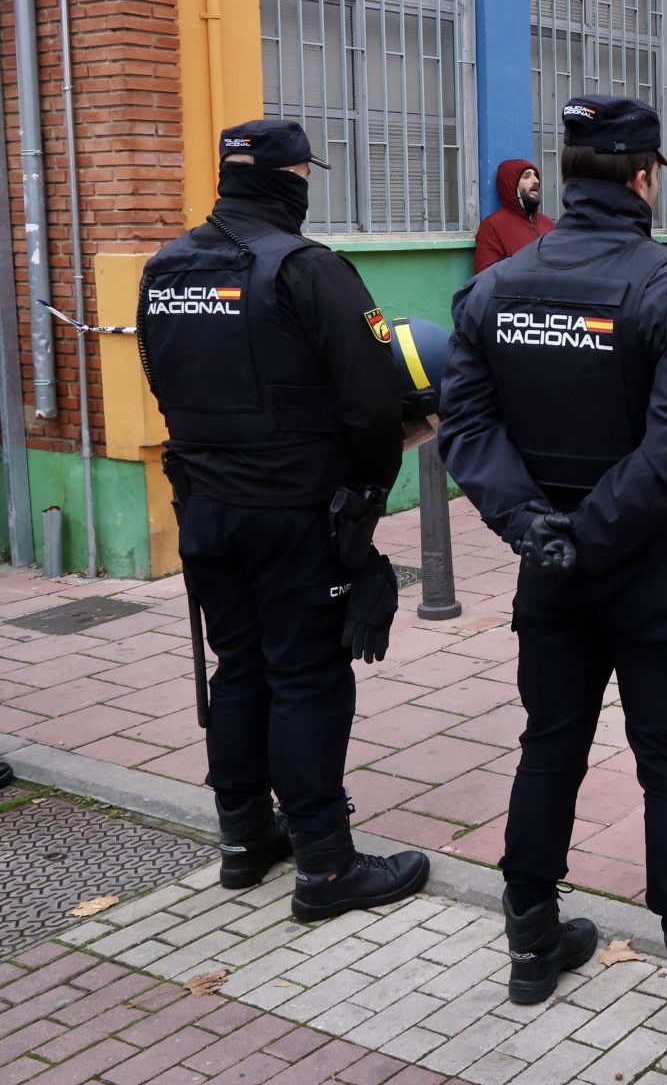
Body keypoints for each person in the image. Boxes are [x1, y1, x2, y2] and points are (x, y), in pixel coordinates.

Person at [438, 95, 667, 1035]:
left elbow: (466, 430)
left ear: (573, 170)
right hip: (642, 569)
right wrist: (586, 536)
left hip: (547, 564)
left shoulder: (495, 287)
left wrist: (538, 533)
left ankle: (530, 941)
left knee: (549, 744)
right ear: (643, 177)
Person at [138, 120, 427, 921]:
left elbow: (161, 378)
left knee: (238, 667)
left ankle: (243, 839)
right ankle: (327, 865)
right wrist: (367, 492)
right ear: (288, 179)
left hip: (206, 509)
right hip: (295, 514)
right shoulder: (309, 268)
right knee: (306, 677)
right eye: (305, 173)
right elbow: (372, 399)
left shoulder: (165, 268)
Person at [474, 157, 556, 271]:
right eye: (527, 176)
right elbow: (486, 277)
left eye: (535, 176)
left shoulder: (548, 224)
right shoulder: (492, 226)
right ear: (511, 185)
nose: (536, 181)